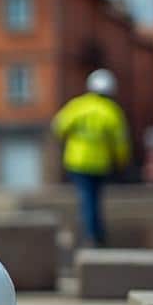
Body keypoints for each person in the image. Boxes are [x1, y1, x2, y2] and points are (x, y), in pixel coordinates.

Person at [52, 68, 131, 248]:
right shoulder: (112, 111)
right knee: (94, 199)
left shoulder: (78, 106)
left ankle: (90, 233)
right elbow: (120, 142)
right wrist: (122, 162)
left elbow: (58, 126)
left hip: (77, 161)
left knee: (86, 198)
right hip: (99, 164)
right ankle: (95, 234)